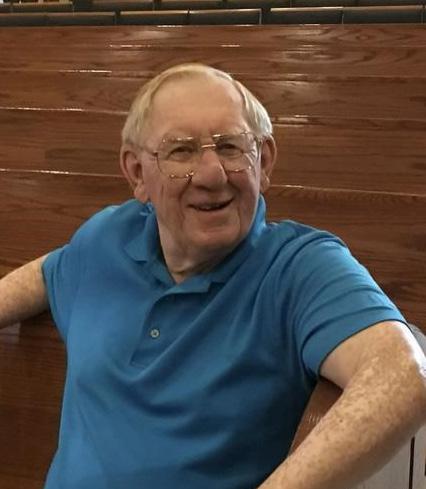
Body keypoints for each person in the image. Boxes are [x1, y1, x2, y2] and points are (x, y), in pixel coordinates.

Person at [0, 63, 425, 489]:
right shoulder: (108, 238)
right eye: (181, 151)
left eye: (230, 147)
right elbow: (48, 272)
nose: (211, 174)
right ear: (137, 173)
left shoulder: (299, 267)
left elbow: (404, 375)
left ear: (264, 161)